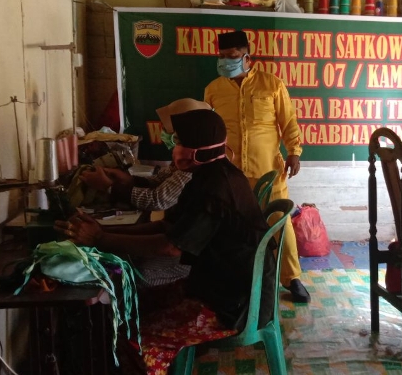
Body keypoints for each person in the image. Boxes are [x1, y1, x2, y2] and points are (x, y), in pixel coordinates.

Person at [56, 108, 276, 330]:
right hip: (224, 283)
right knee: (134, 276)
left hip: (237, 305)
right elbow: (167, 226)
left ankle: (136, 353)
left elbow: (171, 247)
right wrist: (101, 231)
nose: (174, 146)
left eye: (179, 140)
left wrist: (100, 238)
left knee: (136, 299)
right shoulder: (210, 174)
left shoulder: (215, 187)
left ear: (198, 149)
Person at [204, 30, 310, 304]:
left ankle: (293, 278)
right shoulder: (213, 89)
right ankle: (240, 278)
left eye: (232, 56)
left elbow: (288, 121)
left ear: (247, 57)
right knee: (234, 227)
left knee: (280, 222)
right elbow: (209, 128)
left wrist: (294, 152)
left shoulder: (271, 84)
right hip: (231, 172)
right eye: (222, 57)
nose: (226, 61)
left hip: (269, 170)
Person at [79, 98, 211, 211]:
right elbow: (160, 180)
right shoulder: (186, 157)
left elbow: (157, 200)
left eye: (171, 131)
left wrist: (109, 186)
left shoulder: (195, 164)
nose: (164, 133)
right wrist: (129, 180)